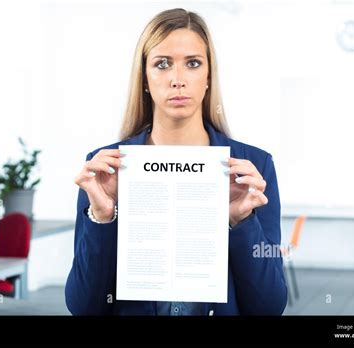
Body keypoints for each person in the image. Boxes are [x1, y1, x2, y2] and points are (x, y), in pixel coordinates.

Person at [65, 8, 287, 315]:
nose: (177, 79)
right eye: (162, 64)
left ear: (209, 76)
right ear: (144, 78)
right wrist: (102, 217)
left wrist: (242, 222)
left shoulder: (254, 167)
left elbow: (269, 308)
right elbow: (83, 307)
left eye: (193, 63)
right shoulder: (106, 169)